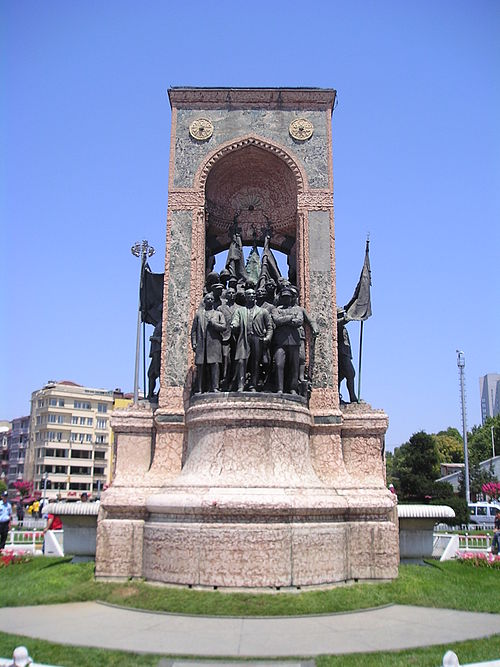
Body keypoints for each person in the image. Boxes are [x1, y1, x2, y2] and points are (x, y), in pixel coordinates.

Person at [231, 288, 273, 392]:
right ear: (245, 296)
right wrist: (234, 325)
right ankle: (240, 385)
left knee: (255, 363)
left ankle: (253, 385)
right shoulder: (239, 311)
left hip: (257, 339)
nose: (251, 296)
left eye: (253, 294)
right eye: (249, 294)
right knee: (241, 361)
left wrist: (268, 337)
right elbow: (235, 321)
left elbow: (269, 327)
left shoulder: (263, 311)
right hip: (244, 338)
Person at [191, 292, 226, 393]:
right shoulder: (198, 314)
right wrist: (194, 342)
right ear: (204, 301)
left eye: (211, 299)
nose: (210, 300)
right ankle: (199, 388)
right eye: (208, 299)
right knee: (200, 367)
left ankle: (215, 387)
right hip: (201, 344)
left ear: (213, 301)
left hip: (214, 344)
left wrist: (214, 324)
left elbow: (224, 327)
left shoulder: (218, 314)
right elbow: (193, 330)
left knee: (215, 365)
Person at [271, 287, 304, 394]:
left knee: (294, 367)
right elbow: (277, 320)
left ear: (291, 298)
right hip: (280, 342)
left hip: (294, 342)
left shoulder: (298, 309)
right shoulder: (276, 310)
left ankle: (293, 388)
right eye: (284, 297)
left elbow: (299, 321)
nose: (286, 299)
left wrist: (284, 319)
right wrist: (290, 318)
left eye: (288, 297)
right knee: (279, 364)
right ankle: (279, 388)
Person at [337, 307, 358, 403]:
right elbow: (344, 320)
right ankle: (353, 398)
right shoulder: (336, 324)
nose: (342, 316)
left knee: (340, 376)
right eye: (340, 315)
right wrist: (349, 316)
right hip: (341, 353)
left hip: (345, 353)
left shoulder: (343, 328)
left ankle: (338, 397)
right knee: (350, 373)